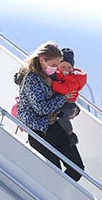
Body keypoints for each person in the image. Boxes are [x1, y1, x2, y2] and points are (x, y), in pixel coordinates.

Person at [14, 41, 85, 182]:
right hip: (40, 130)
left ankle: (61, 194)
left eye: (56, 66)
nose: (55, 69)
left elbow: (66, 95)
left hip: (57, 125)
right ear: (42, 60)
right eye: (53, 65)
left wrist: (74, 110)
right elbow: (41, 108)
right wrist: (63, 97)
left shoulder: (51, 76)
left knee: (77, 168)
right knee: (53, 173)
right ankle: (56, 196)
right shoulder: (30, 78)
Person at [51, 48, 87, 146]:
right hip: (63, 103)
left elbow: (64, 89)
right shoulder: (57, 75)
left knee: (61, 115)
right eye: (63, 66)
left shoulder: (74, 79)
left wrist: (51, 83)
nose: (66, 70)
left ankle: (71, 134)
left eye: (69, 67)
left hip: (69, 105)